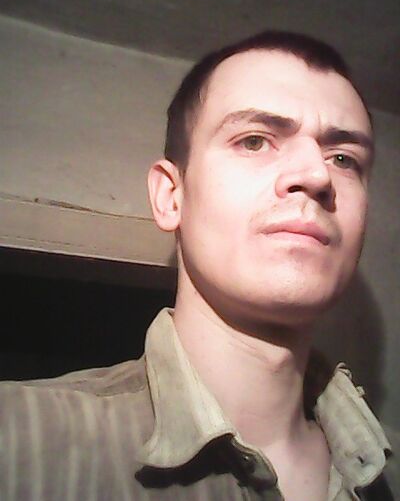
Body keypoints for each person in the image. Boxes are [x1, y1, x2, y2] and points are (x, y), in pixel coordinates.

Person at [0, 31, 397, 500]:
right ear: (171, 196)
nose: (316, 175)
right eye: (254, 141)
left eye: (344, 159)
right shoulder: (17, 438)